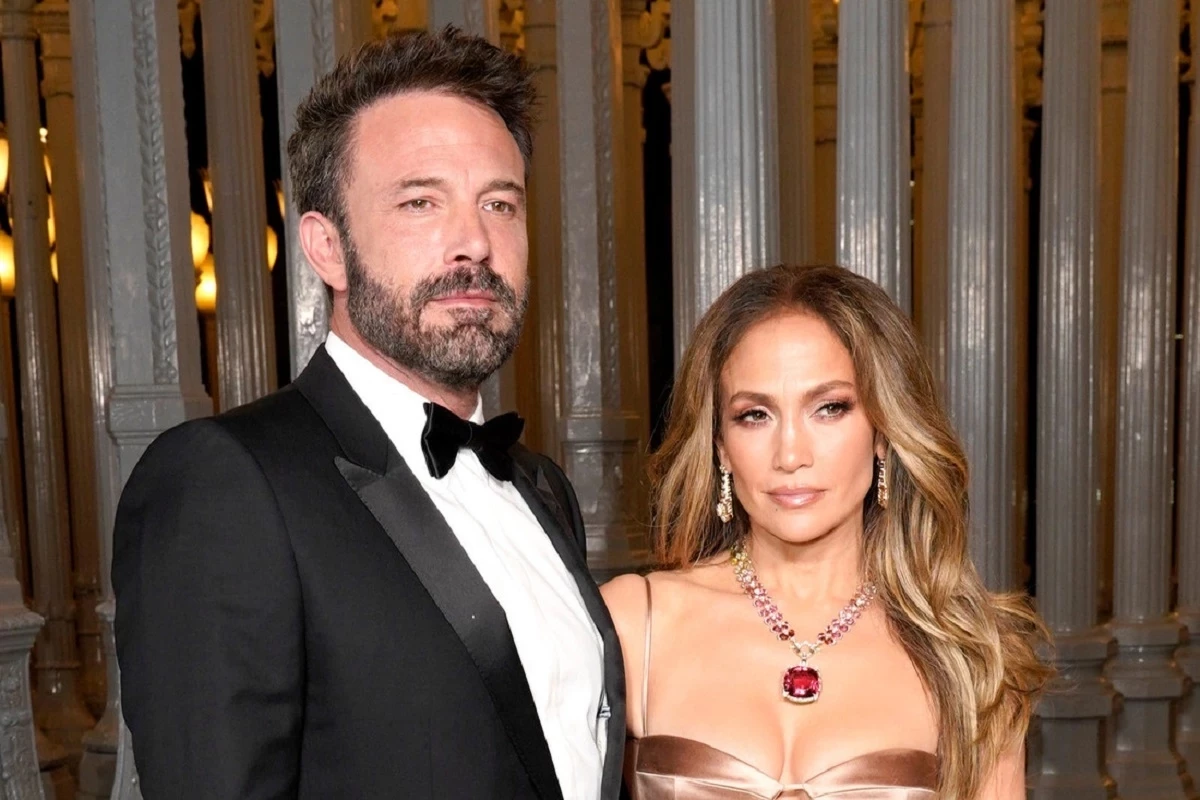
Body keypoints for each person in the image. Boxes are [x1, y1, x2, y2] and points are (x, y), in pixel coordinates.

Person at [112, 27, 624, 800]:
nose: (474, 242)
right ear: (327, 248)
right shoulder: (224, 482)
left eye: (500, 203)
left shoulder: (541, 488)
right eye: (421, 202)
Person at [602, 264, 1050, 799]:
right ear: (720, 445)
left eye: (829, 408)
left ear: (883, 432)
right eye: (754, 415)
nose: (791, 455)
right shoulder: (634, 623)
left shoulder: (969, 656)